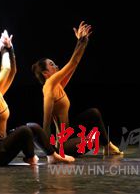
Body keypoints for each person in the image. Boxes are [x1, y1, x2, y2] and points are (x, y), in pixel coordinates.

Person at [0, 30, 74, 166]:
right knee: (24, 130)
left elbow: (12, 71)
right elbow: (6, 69)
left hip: (3, 146)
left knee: (32, 126)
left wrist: (10, 49)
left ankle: (52, 156)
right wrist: (3, 49)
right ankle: (30, 157)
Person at [31, 22, 122, 156]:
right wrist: (51, 153)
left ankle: (107, 146)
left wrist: (81, 42)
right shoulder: (49, 86)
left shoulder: (57, 85)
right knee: (94, 139)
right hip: (63, 143)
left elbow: (74, 65)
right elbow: (46, 123)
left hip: (70, 132)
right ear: (45, 73)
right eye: (52, 65)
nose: (56, 66)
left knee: (93, 113)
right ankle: (64, 150)